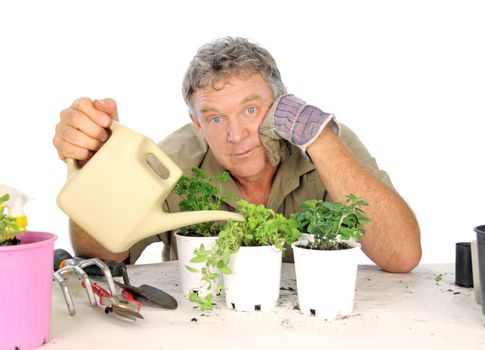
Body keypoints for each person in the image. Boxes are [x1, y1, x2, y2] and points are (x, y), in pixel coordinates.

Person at [53, 37, 421, 273]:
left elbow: (402, 255)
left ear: (280, 104)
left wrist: (320, 141)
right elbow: (100, 258)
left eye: (250, 110)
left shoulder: (324, 143)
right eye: (215, 118)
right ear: (197, 125)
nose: (236, 134)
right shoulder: (171, 163)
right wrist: (97, 175)